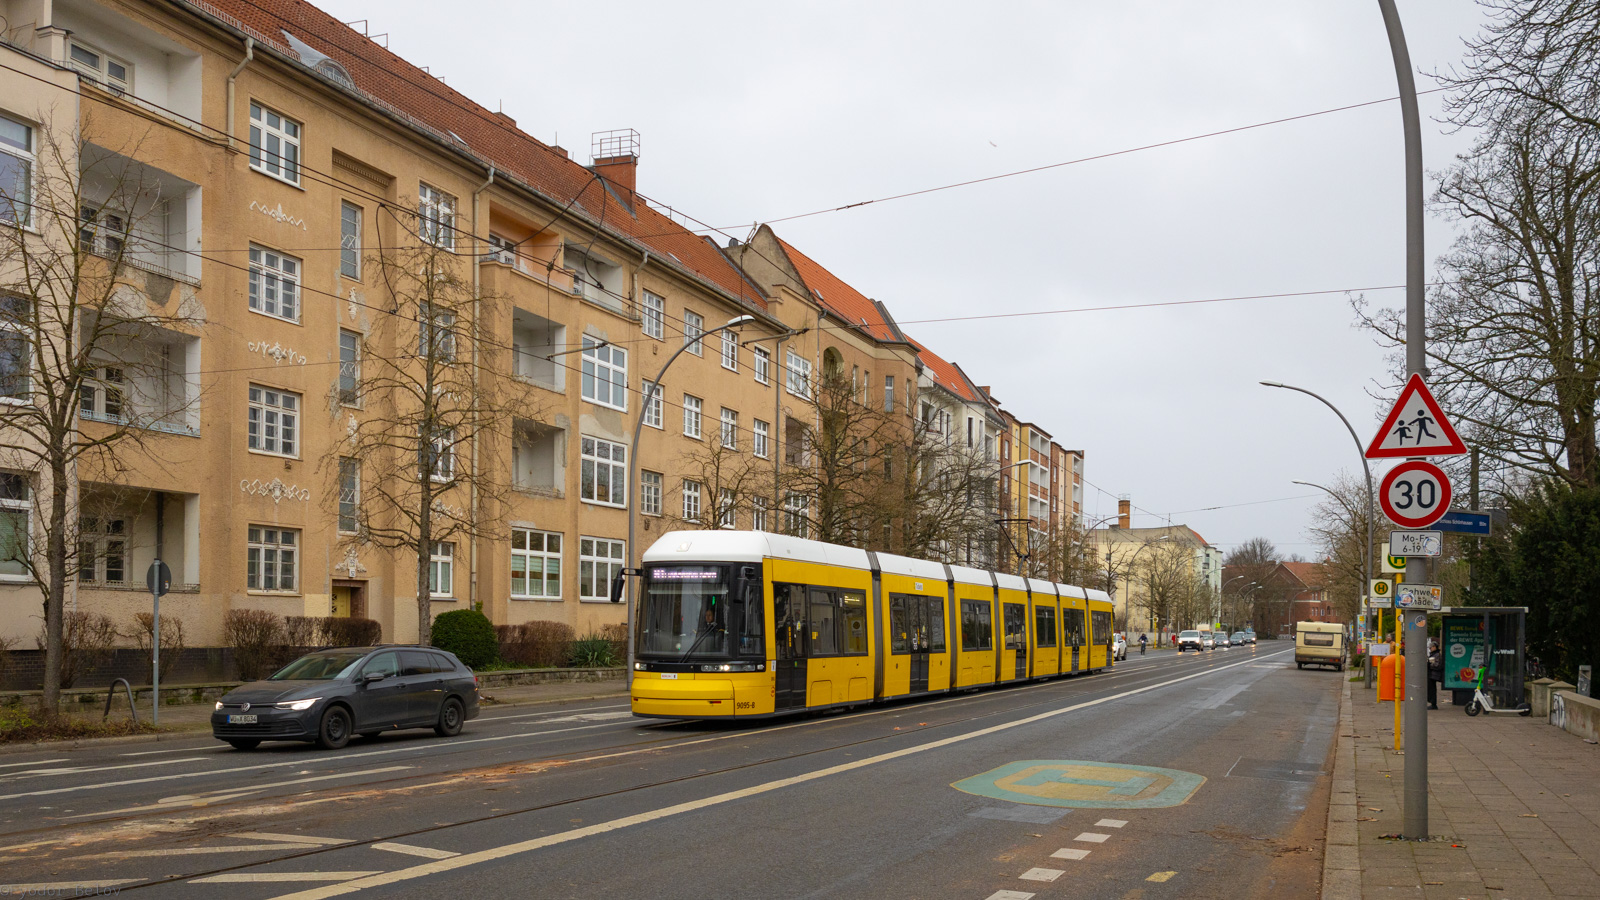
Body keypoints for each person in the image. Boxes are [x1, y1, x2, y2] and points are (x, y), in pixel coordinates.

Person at [1427, 638, 1443, 710]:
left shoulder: (1437, 655)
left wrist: (1429, 664)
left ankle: (1433, 703)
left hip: (1433, 675)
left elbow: (1437, 665)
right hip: (1431, 674)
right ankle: (1432, 702)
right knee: (1431, 689)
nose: (1430, 648)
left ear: (1435, 647)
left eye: (1432, 647)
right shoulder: (1433, 654)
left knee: (1432, 689)